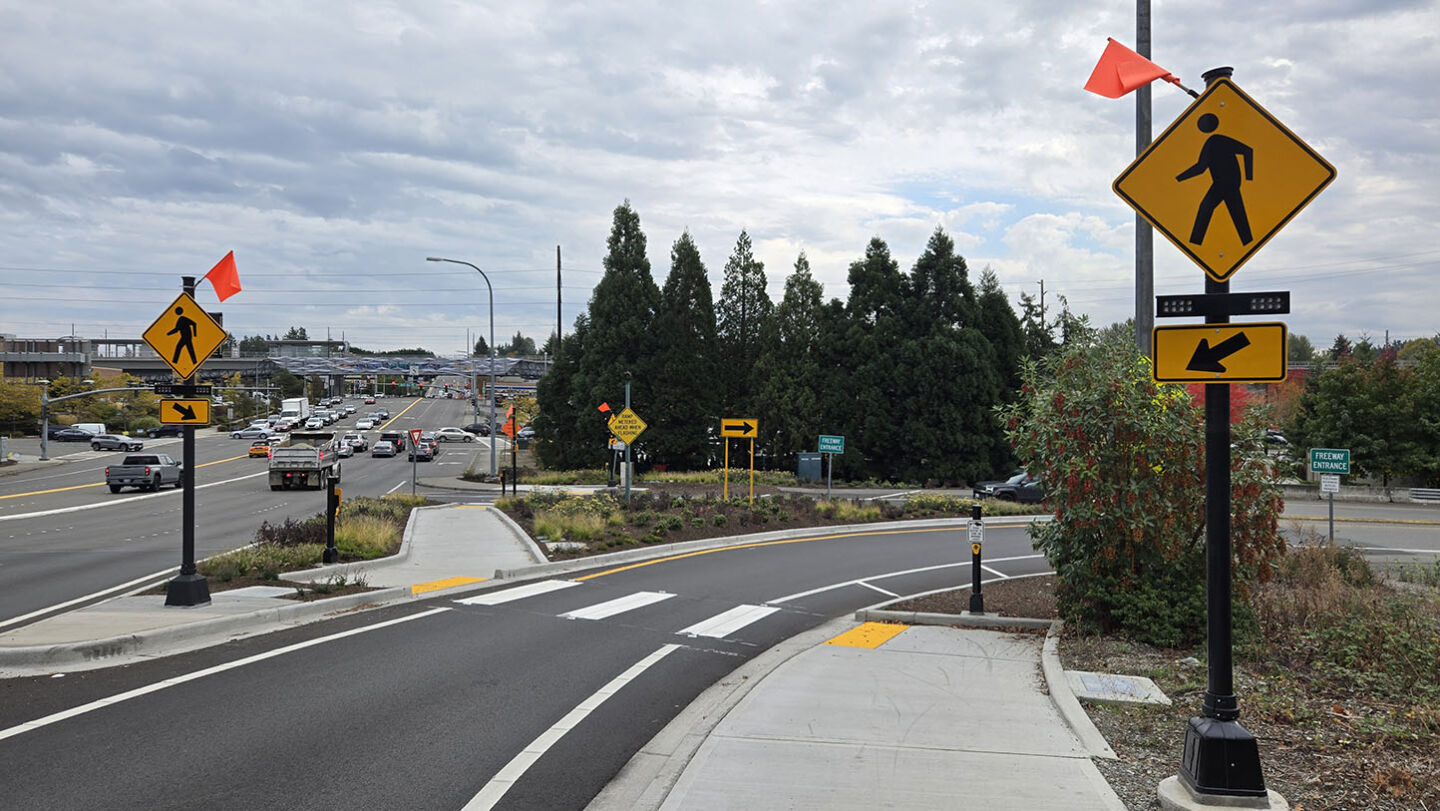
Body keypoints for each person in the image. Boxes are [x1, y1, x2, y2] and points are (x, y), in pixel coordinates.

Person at [1175, 112, 1254, 245]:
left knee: (1209, 208)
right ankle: (1247, 241)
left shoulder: (1217, 140)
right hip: (1223, 183)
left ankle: (1196, 242)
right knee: (1234, 212)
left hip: (1227, 183)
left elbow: (1248, 151)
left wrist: (1249, 177)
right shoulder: (1212, 141)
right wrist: (1179, 178)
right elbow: (1200, 167)